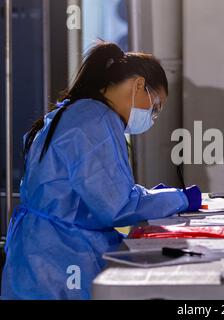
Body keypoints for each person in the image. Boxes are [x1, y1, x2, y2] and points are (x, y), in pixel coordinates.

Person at [1, 42, 202, 300]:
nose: (152, 116)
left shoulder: (77, 112)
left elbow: (93, 190)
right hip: (62, 259)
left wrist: (150, 197)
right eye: (155, 106)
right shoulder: (95, 122)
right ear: (139, 85)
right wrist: (179, 199)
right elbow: (115, 206)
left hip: (39, 255)